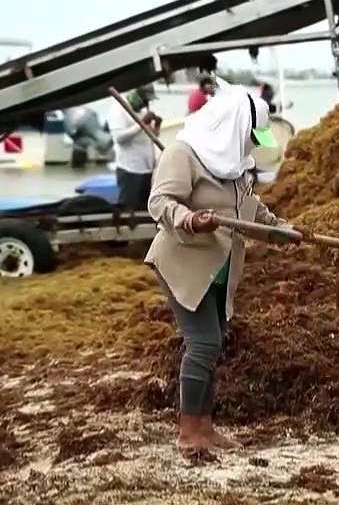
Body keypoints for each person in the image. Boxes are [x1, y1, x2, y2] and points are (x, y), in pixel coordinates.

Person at [145, 88, 304, 456]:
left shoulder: (234, 166)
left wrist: (285, 231)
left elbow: (251, 211)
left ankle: (206, 428)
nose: (253, 146)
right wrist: (189, 218)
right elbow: (160, 202)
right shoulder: (182, 154)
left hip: (219, 267)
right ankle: (189, 432)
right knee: (203, 344)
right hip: (184, 263)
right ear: (235, 128)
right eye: (251, 137)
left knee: (213, 345)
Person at [106, 85, 161, 210]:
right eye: (145, 100)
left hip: (147, 169)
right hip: (130, 170)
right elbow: (119, 137)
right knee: (129, 209)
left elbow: (151, 135)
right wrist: (141, 123)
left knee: (147, 210)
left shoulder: (142, 110)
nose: (147, 104)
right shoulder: (119, 108)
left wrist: (156, 126)